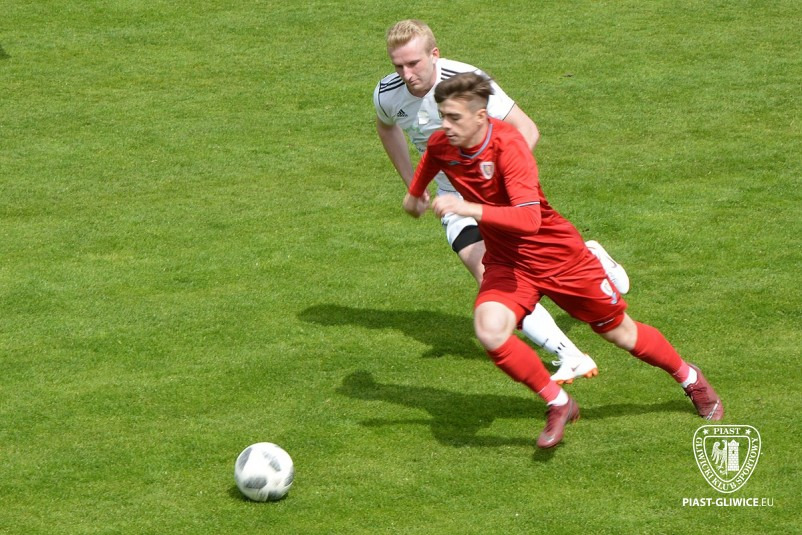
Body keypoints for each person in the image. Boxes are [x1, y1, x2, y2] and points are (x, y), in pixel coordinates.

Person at [402, 72, 724, 448]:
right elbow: (424, 174)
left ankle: (690, 378)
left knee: (620, 333)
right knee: (489, 329)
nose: (445, 125)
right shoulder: (443, 143)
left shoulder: (509, 147)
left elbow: (529, 219)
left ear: (480, 116)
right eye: (442, 115)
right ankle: (558, 402)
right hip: (508, 263)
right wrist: (415, 197)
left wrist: (468, 208)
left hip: (560, 258)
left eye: (454, 117)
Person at [374, 19, 630, 385]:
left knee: (538, 267)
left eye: (413, 63)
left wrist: (500, 181)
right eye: (398, 65)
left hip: (502, 196)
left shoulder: (469, 83)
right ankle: (569, 354)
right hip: (453, 200)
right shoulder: (387, 94)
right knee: (488, 276)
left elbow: (527, 129)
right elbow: (386, 127)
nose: (406, 74)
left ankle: (588, 256)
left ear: (435, 55)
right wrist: (412, 184)